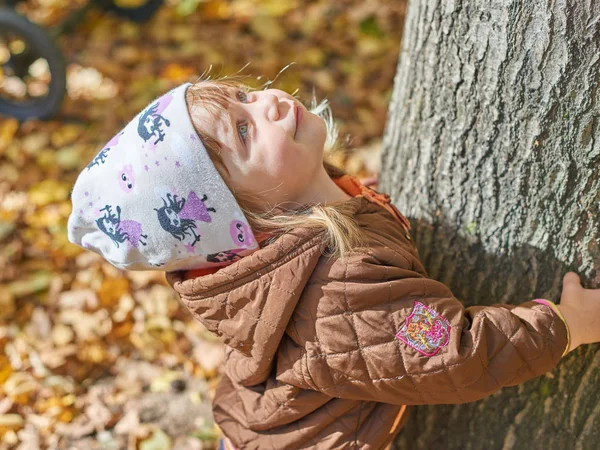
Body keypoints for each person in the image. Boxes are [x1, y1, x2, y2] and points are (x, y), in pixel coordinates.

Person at [67, 77, 600, 450]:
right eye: (244, 131)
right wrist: (566, 324)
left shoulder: (310, 220)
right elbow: (451, 352)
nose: (268, 103)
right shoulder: (336, 291)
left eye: (244, 98)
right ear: (244, 218)